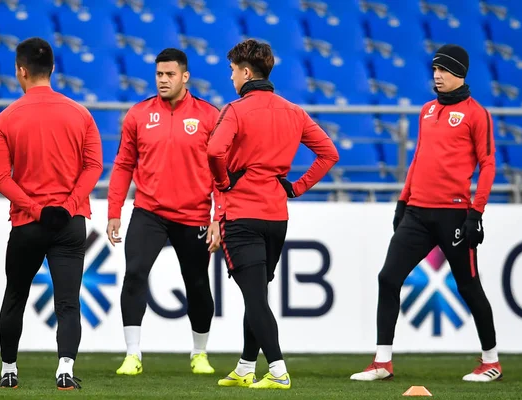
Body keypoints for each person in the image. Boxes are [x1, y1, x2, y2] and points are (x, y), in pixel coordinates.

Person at [350, 44, 502, 382]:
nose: (437, 75)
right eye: (434, 70)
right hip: (417, 213)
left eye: (444, 70)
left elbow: (489, 164)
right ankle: (382, 362)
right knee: (387, 278)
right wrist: (403, 201)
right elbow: (419, 156)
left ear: (460, 73)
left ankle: (491, 361)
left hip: (454, 216)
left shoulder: (478, 114)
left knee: (469, 286)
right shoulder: (426, 111)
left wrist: (476, 213)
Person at [207, 39, 340, 390]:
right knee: (259, 295)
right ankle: (246, 366)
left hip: (242, 216)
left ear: (246, 72)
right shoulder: (294, 111)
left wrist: (223, 182)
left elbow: (214, 150)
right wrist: (297, 187)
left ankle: (278, 371)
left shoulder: (236, 110)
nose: (231, 78)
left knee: (254, 298)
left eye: (233, 71)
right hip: (276, 217)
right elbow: (329, 153)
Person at [0, 37, 103, 390]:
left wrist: (36, 209)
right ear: (53, 69)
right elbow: (94, 165)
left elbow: (0, 177)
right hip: (69, 223)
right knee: (69, 302)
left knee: (15, 296)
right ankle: (65, 370)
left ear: (20, 71)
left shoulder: (6, 118)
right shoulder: (80, 113)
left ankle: (9, 370)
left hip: (27, 223)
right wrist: (68, 206)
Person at [107, 48, 222, 376]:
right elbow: (123, 164)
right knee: (135, 273)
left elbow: (221, 172)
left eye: (170, 75)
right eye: (159, 74)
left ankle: (199, 354)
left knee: (198, 283)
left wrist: (218, 215)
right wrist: (114, 210)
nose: (163, 80)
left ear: (185, 77)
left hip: (194, 215)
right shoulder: (138, 114)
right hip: (149, 211)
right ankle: (133, 354)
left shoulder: (208, 116)